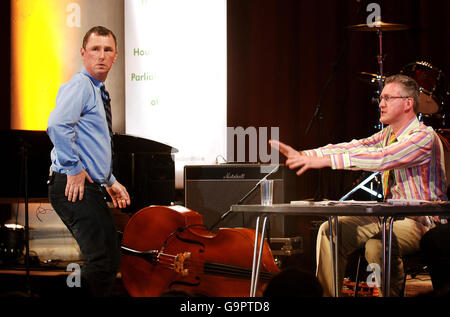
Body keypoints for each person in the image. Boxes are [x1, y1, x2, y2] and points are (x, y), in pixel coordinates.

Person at [270, 74, 447, 297]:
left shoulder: (423, 137)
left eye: (387, 98)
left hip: (420, 220)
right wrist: (307, 155)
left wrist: (322, 161)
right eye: (381, 98)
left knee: (377, 247)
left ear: (408, 103)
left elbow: (383, 158)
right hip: (391, 216)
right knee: (331, 230)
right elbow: (352, 147)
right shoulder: (387, 135)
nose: (381, 103)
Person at [47, 26, 130, 297]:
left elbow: (92, 143)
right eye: (95, 49)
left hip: (91, 185)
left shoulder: (98, 90)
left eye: (107, 50)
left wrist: (110, 180)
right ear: (83, 53)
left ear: (116, 56)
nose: (101, 56)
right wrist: (73, 168)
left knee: (109, 257)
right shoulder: (81, 85)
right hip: (73, 185)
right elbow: (58, 125)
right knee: (103, 259)